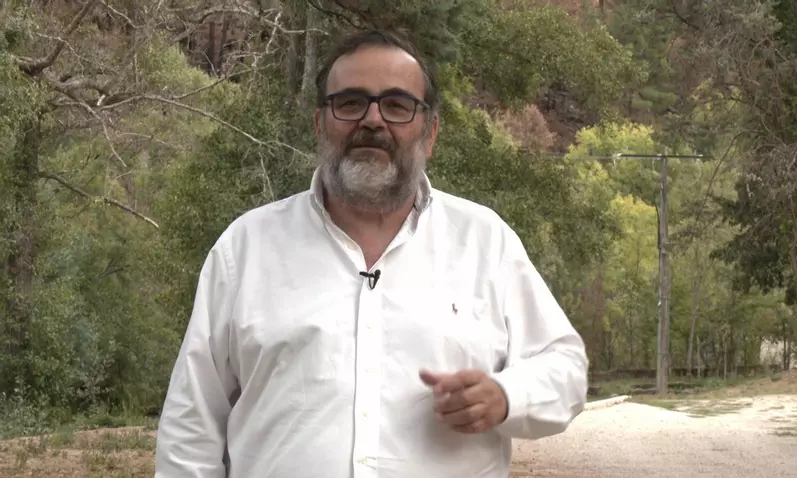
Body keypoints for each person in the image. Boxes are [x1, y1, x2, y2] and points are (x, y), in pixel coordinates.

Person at [154, 29, 588, 478]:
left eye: (397, 105)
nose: (373, 120)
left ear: (430, 132)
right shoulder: (246, 248)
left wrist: (505, 396)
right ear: (320, 124)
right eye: (351, 102)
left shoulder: (485, 242)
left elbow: (566, 370)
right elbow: (191, 429)